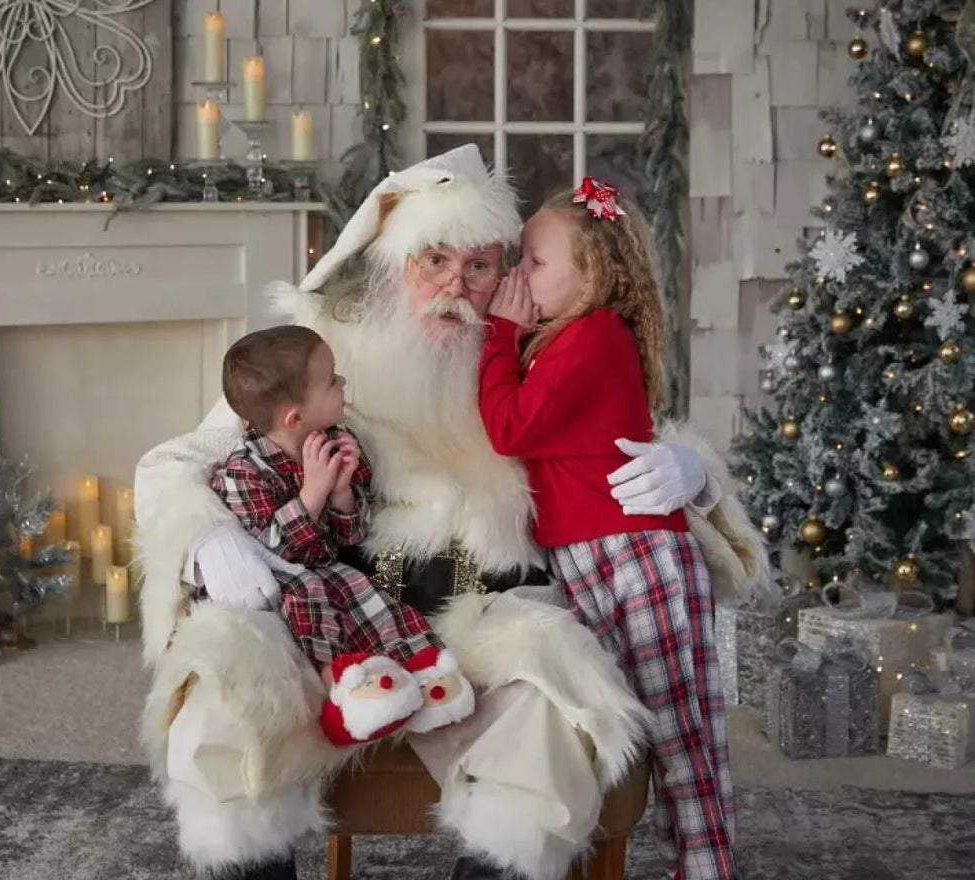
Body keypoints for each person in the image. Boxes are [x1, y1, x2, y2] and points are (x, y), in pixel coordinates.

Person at [135, 144, 769, 880]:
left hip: (486, 615)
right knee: (223, 686)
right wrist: (209, 537)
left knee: (553, 716)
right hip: (338, 613)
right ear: (395, 261)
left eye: (478, 265)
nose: (454, 286)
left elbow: (626, 445)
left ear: (506, 271)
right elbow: (177, 460)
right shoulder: (324, 351)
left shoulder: (538, 348)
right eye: (432, 260)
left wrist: (697, 477)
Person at [478, 178, 735, 880]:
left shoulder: (592, 338)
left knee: (681, 728)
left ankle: (708, 867)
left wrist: (498, 332)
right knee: (612, 719)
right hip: (590, 556)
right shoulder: (563, 337)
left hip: (634, 556)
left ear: (589, 273)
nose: (516, 276)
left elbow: (510, 427)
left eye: (534, 262)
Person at [208, 325, 475, 746]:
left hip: (333, 570)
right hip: (282, 580)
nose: (343, 383)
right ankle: (347, 698)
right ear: (294, 417)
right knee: (313, 617)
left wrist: (342, 492)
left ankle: (425, 678)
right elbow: (269, 548)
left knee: (377, 608)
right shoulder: (244, 470)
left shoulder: (337, 440)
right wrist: (311, 493)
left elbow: (352, 536)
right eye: (332, 381)